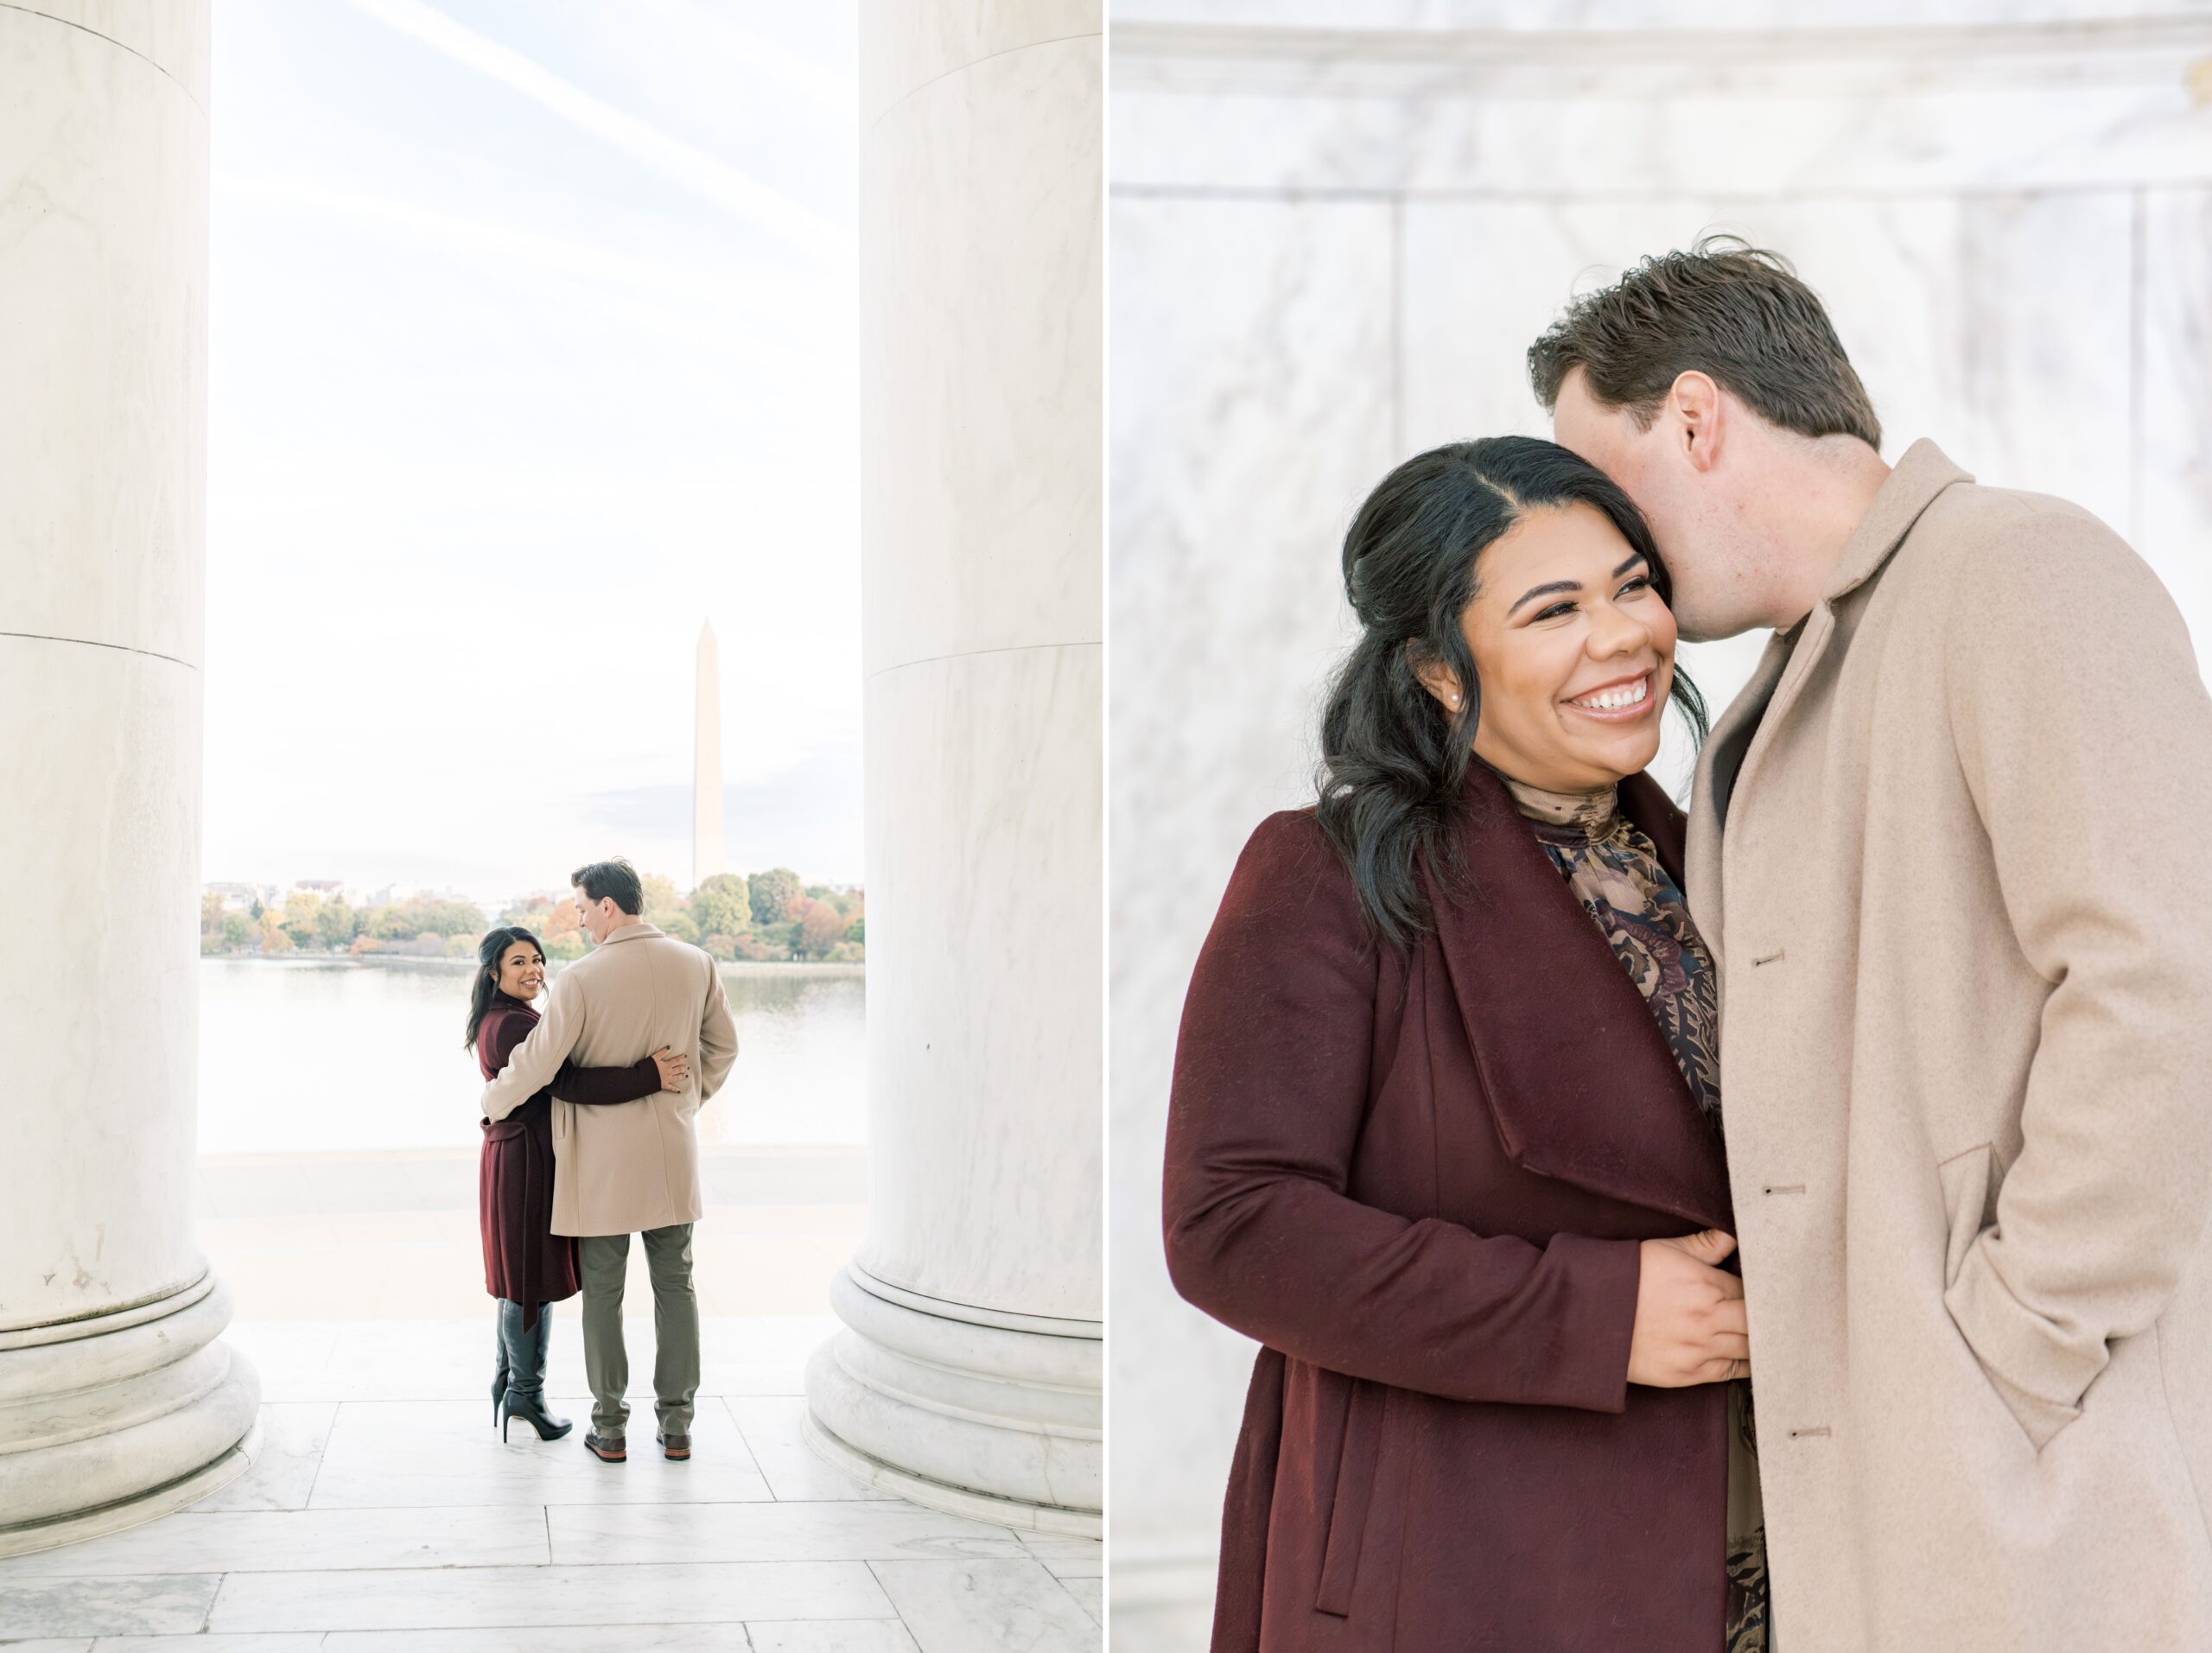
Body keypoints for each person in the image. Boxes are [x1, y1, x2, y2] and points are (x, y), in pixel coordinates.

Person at [1528, 238, 2212, 1650]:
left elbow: (2164, 985)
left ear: (1700, 418)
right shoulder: (1767, 700)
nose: (1618, 547)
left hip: (2032, 1484)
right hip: (1861, 1511)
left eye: (1610, 482)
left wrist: (2015, 1346)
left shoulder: (2021, 567)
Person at [1166, 436, 1766, 1651]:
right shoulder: (1330, 875)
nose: (1623, 637)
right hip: (1464, 1555)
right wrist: (1590, 1314)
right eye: (1555, 610)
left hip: (1743, 1531)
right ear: (1442, 669)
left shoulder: (1723, 860)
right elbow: (1230, 1226)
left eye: (1633, 586)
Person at [480, 860, 739, 1464]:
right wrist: (687, 1100)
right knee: (676, 1284)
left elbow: (538, 1065)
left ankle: (611, 1427)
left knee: (604, 1290)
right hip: (672, 1151)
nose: (578, 919)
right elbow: (724, 1046)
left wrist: (493, 1100)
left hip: (599, 1160)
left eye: (581, 907)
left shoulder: (580, 978)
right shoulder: (696, 962)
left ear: (607, 907)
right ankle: (677, 1426)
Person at [464, 925, 690, 1442]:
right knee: (526, 1280)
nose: (533, 970)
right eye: (518, 962)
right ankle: (525, 1393)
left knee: (520, 1276)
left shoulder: (509, 1017)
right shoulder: (512, 1024)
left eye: (538, 960)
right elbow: (567, 1081)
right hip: (526, 1160)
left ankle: (510, 1384)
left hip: (521, 1152)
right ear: (494, 971)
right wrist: (648, 1075)